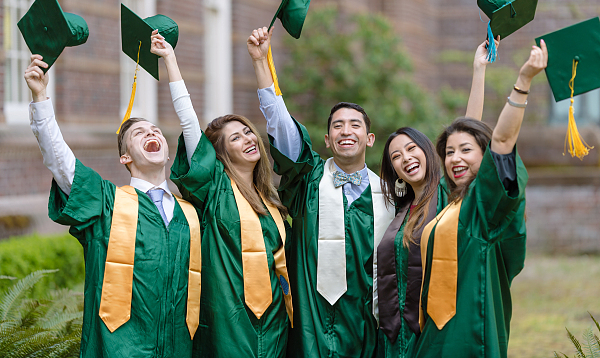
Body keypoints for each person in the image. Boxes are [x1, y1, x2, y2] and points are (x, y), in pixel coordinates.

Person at [24, 30, 200, 358]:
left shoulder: (191, 215)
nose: (151, 132)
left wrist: (170, 62)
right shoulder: (109, 204)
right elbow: (62, 164)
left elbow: (196, 138)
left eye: (156, 130)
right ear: (125, 157)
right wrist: (40, 99)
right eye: (139, 133)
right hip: (119, 349)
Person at [247, 26, 396, 358]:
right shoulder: (307, 179)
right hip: (311, 319)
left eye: (355, 125)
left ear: (369, 139)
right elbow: (280, 125)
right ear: (327, 140)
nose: (346, 131)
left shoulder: (389, 195)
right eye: (337, 126)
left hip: (367, 323)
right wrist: (261, 62)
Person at [414, 40, 548, 357]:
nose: (455, 158)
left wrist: (523, 81)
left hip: (471, 334)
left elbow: (500, 140)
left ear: (485, 158)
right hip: (434, 337)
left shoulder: (485, 206)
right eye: (448, 153)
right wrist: (478, 71)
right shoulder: (452, 202)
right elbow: (467, 129)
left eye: (465, 151)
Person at [376, 38, 498, 358]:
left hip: (431, 326)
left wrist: (478, 71)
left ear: (430, 151)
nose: (406, 158)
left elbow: (468, 128)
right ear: (395, 171)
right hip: (393, 334)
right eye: (396, 157)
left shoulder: (446, 193)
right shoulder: (401, 211)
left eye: (411, 148)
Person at [169, 104, 293, 356]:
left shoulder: (271, 202)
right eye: (236, 137)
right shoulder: (214, 190)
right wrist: (172, 64)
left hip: (275, 322)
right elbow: (191, 129)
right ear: (220, 153)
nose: (248, 139)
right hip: (228, 321)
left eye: (248, 132)